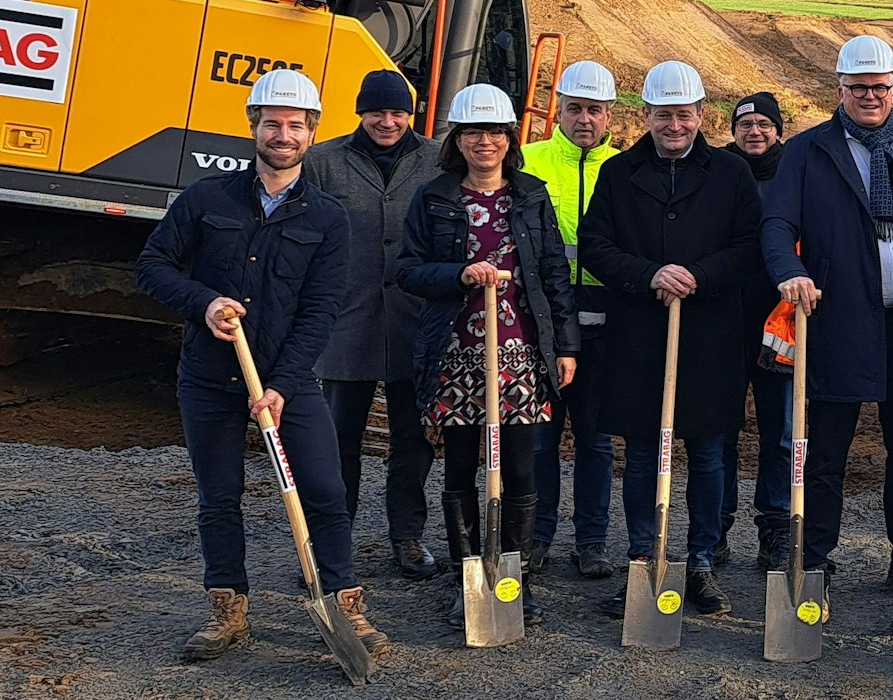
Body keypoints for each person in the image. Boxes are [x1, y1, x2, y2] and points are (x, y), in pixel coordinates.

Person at [135, 68, 387, 661]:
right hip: (208, 377)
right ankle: (228, 612)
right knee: (219, 497)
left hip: (289, 379)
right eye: (271, 123)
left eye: (294, 125)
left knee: (324, 490)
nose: (282, 134)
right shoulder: (206, 199)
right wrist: (205, 303)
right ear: (253, 126)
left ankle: (345, 603)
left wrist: (277, 386)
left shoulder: (326, 217)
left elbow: (322, 310)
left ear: (311, 132)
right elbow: (153, 266)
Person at [761, 34, 893, 601]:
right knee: (824, 452)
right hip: (837, 321)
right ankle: (813, 558)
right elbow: (777, 225)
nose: (871, 96)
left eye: (881, 87)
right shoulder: (808, 150)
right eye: (859, 88)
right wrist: (786, 274)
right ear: (839, 89)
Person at [580, 61, 763, 616]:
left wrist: (699, 276)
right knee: (641, 454)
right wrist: (648, 274)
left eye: (684, 116)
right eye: (664, 117)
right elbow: (595, 245)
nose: (674, 126)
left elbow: (751, 245)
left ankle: (701, 562)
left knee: (708, 453)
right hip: (638, 334)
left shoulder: (732, 174)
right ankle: (643, 560)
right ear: (646, 116)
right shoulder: (618, 173)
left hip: (709, 334)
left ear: (701, 115)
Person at [398, 83, 578, 627]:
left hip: (520, 350)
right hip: (457, 349)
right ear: (458, 138)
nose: (486, 142)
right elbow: (407, 269)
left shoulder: (531, 195)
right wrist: (458, 274)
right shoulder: (434, 198)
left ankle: (512, 579)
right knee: (459, 468)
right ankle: (468, 578)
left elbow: (552, 273)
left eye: (496, 132)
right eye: (475, 132)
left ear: (510, 139)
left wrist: (566, 345)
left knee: (520, 469)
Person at [303, 69, 443, 581]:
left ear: (411, 113)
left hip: (415, 322)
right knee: (337, 441)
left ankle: (406, 537)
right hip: (346, 321)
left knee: (413, 440)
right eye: (377, 112)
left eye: (397, 112)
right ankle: (330, 544)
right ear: (360, 112)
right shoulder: (323, 163)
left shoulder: (435, 160)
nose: (388, 122)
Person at [519, 60, 621, 581]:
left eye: (595, 110)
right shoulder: (528, 162)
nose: (585, 119)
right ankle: (537, 537)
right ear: (559, 109)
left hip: (606, 321)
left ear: (611, 116)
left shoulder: (625, 170)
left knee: (596, 439)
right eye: (576, 108)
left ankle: (592, 541)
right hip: (544, 318)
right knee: (540, 437)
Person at [718, 90, 794, 571]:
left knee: (782, 433)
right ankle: (715, 525)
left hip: (781, 324)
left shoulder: (797, 173)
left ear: (777, 130)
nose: (754, 132)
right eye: (746, 124)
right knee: (719, 431)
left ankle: (777, 529)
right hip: (724, 322)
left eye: (764, 124)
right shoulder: (718, 172)